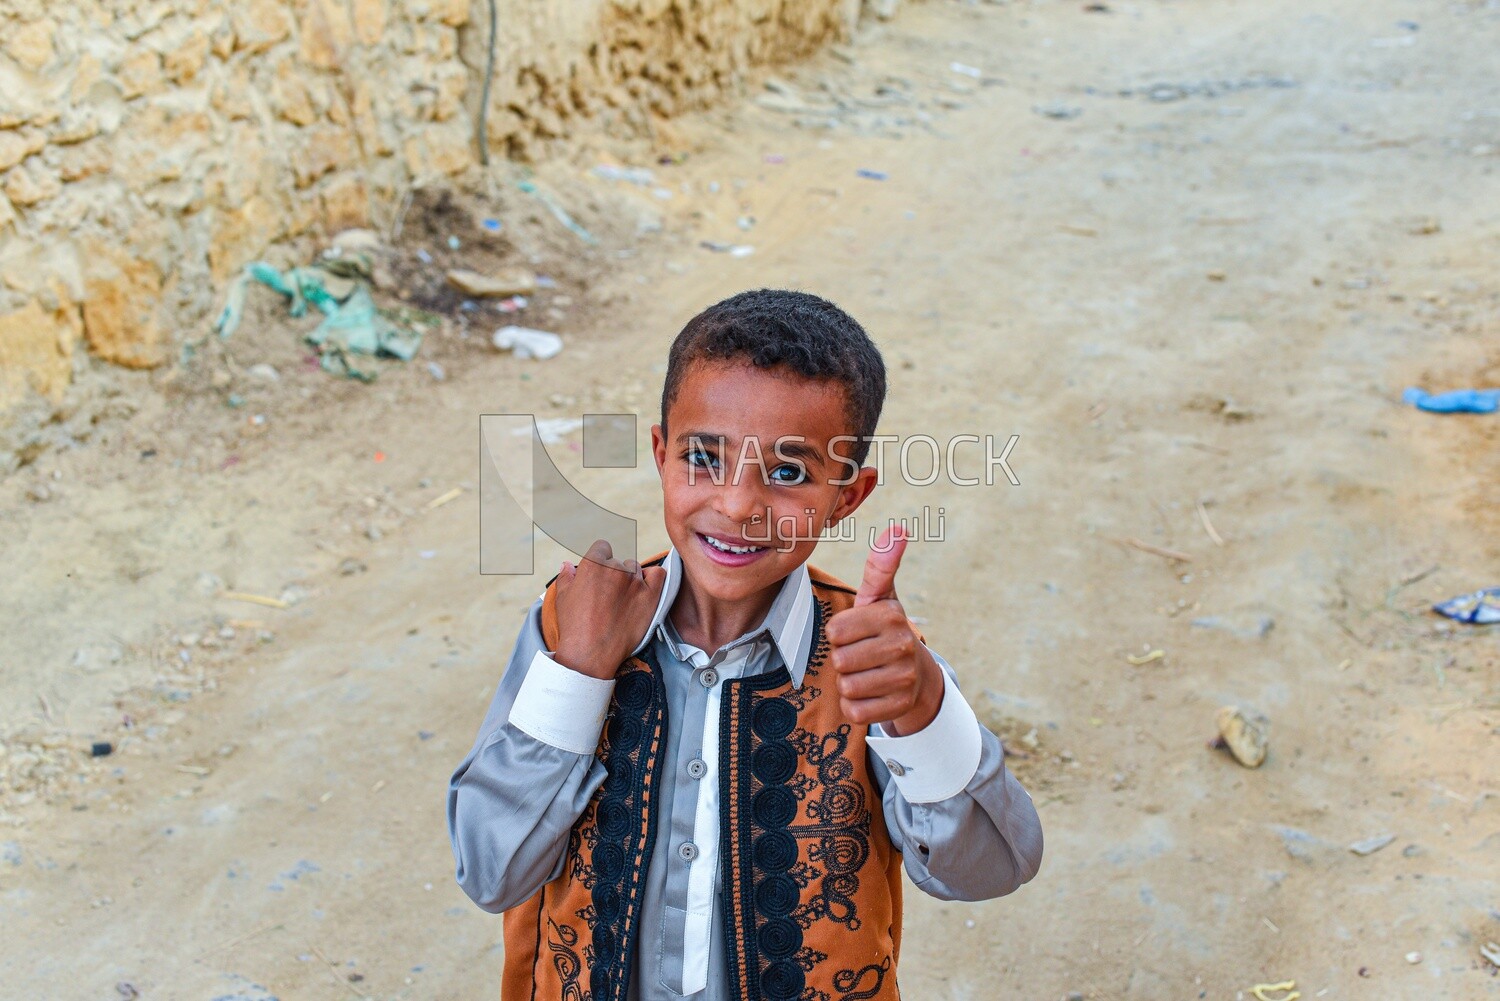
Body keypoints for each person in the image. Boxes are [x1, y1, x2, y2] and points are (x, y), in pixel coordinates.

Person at [448, 289, 1043, 1000]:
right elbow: (490, 870)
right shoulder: (573, 626)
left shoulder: (875, 660)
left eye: (789, 472)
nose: (736, 505)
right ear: (661, 453)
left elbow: (988, 870)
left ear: (848, 496)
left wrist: (924, 712)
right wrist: (578, 673)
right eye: (704, 457)